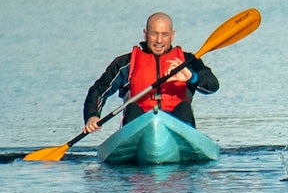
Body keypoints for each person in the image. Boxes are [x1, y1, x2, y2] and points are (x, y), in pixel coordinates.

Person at [81, 12, 219, 133]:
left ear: (172, 35)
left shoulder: (187, 61)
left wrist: (191, 77)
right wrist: (92, 116)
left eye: (164, 35)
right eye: (154, 34)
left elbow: (212, 86)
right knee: (132, 108)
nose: (159, 40)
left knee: (184, 108)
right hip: (139, 126)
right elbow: (99, 90)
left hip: (179, 126)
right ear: (145, 34)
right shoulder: (126, 63)